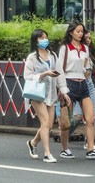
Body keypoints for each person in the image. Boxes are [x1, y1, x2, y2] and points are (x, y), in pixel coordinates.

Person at [57, 21, 95, 160]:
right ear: (71, 32)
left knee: (90, 118)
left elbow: (86, 66)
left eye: (82, 31)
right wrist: (62, 89)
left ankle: (90, 149)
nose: (80, 34)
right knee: (67, 121)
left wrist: (86, 72)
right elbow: (59, 69)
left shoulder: (85, 48)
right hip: (68, 83)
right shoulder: (65, 48)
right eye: (78, 31)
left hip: (82, 83)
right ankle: (64, 148)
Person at [24, 29, 69, 163]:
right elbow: (28, 76)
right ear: (35, 41)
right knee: (44, 122)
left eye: (45, 37)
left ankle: (32, 143)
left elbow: (60, 74)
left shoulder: (53, 55)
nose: (44, 40)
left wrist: (64, 92)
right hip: (37, 94)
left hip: (51, 94)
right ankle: (47, 153)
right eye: (41, 38)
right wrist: (45, 74)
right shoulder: (32, 57)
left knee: (48, 125)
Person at [72, 29, 95, 150]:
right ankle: (65, 132)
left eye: (90, 38)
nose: (88, 40)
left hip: (88, 84)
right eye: (86, 38)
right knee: (77, 116)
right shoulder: (76, 51)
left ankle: (89, 142)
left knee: (92, 115)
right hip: (76, 83)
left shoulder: (88, 52)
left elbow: (91, 70)